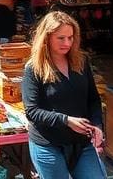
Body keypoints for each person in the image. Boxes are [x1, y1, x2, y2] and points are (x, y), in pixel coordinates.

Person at [21, 11, 105, 179]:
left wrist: (97, 125)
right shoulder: (33, 69)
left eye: (70, 37)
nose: (67, 43)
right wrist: (66, 121)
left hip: (81, 142)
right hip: (48, 143)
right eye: (61, 38)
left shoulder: (81, 61)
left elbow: (93, 99)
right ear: (47, 37)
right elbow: (32, 111)